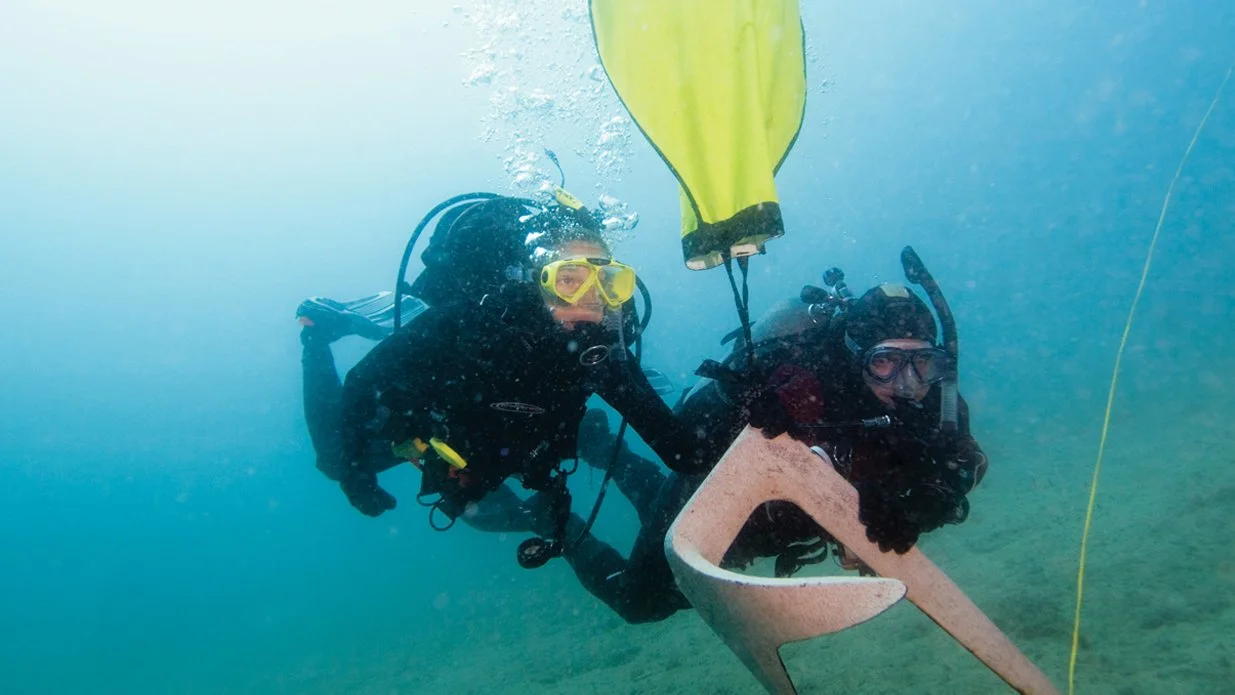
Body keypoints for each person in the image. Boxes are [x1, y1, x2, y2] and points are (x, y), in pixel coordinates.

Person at [296, 191, 708, 571]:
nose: (589, 297)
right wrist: (354, 473)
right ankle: (316, 331)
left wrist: (737, 409)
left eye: (607, 281)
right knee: (334, 458)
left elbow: (681, 451)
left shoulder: (600, 352)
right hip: (443, 414)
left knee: (551, 435)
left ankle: (577, 441)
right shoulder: (469, 322)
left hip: (526, 428)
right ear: (538, 279)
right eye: (569, 279)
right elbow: (362, 380)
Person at [564, 268, 989, 623]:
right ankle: (558, 524)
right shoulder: (802, 379)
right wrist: (741, 403)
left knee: (653, 509)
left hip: (786, 526)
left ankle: (605, 452)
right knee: (641, 603)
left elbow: (965, 463)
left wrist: (922, 506)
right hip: (719, 502)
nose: (907, 382)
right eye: (885, 361)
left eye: (923, 361)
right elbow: (688, 447)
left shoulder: (937, 399)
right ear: (855, 354)